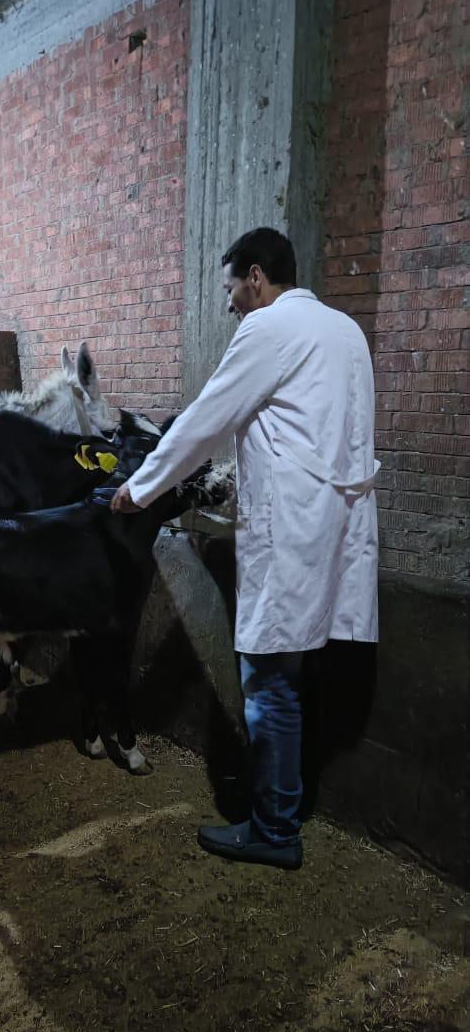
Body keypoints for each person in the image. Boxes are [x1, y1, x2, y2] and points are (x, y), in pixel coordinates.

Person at [111, 227, 379, 870]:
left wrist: (140, 489)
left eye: (231, 287)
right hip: (336, 531)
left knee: (268, 681)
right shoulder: (346, 331)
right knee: (297, 673)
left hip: (290, 533)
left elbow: (204, 422)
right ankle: (283, 801)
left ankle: (275, 830)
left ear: (256, 276)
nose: (230, 302)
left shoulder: (267, 329)